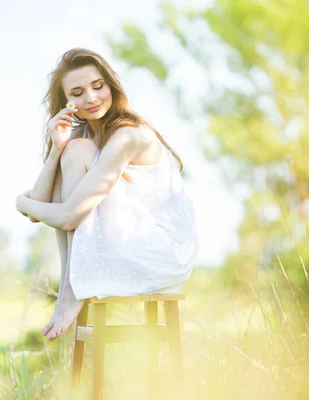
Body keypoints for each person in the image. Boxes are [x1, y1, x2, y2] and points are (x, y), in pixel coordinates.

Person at [15, 48, 199, 342]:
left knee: (76, 174)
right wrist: (57, 150)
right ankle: (70, 284)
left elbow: (63, 215)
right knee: (75, 152)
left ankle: (71, 288)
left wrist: (20, 202)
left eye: (98, 86)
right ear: (67, 102)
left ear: (111, 85)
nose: (91, 98)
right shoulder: (81, 140)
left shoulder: (127, 135)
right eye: (77, 92)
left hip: (164, 251)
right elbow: (43, 206)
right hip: (128, 239)